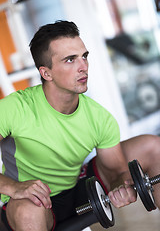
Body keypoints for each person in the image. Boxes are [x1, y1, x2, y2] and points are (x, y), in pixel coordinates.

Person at [0, 20, 159, 231]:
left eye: (84, 56)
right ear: (46, 73)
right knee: (30, 210)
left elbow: (115, 171)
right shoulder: (15, 108)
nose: (83, 66)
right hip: (31, 203)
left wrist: (121, 185)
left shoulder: (98, 117)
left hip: (78, 188)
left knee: (153, 146)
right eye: (70, 60)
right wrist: (14, 187)